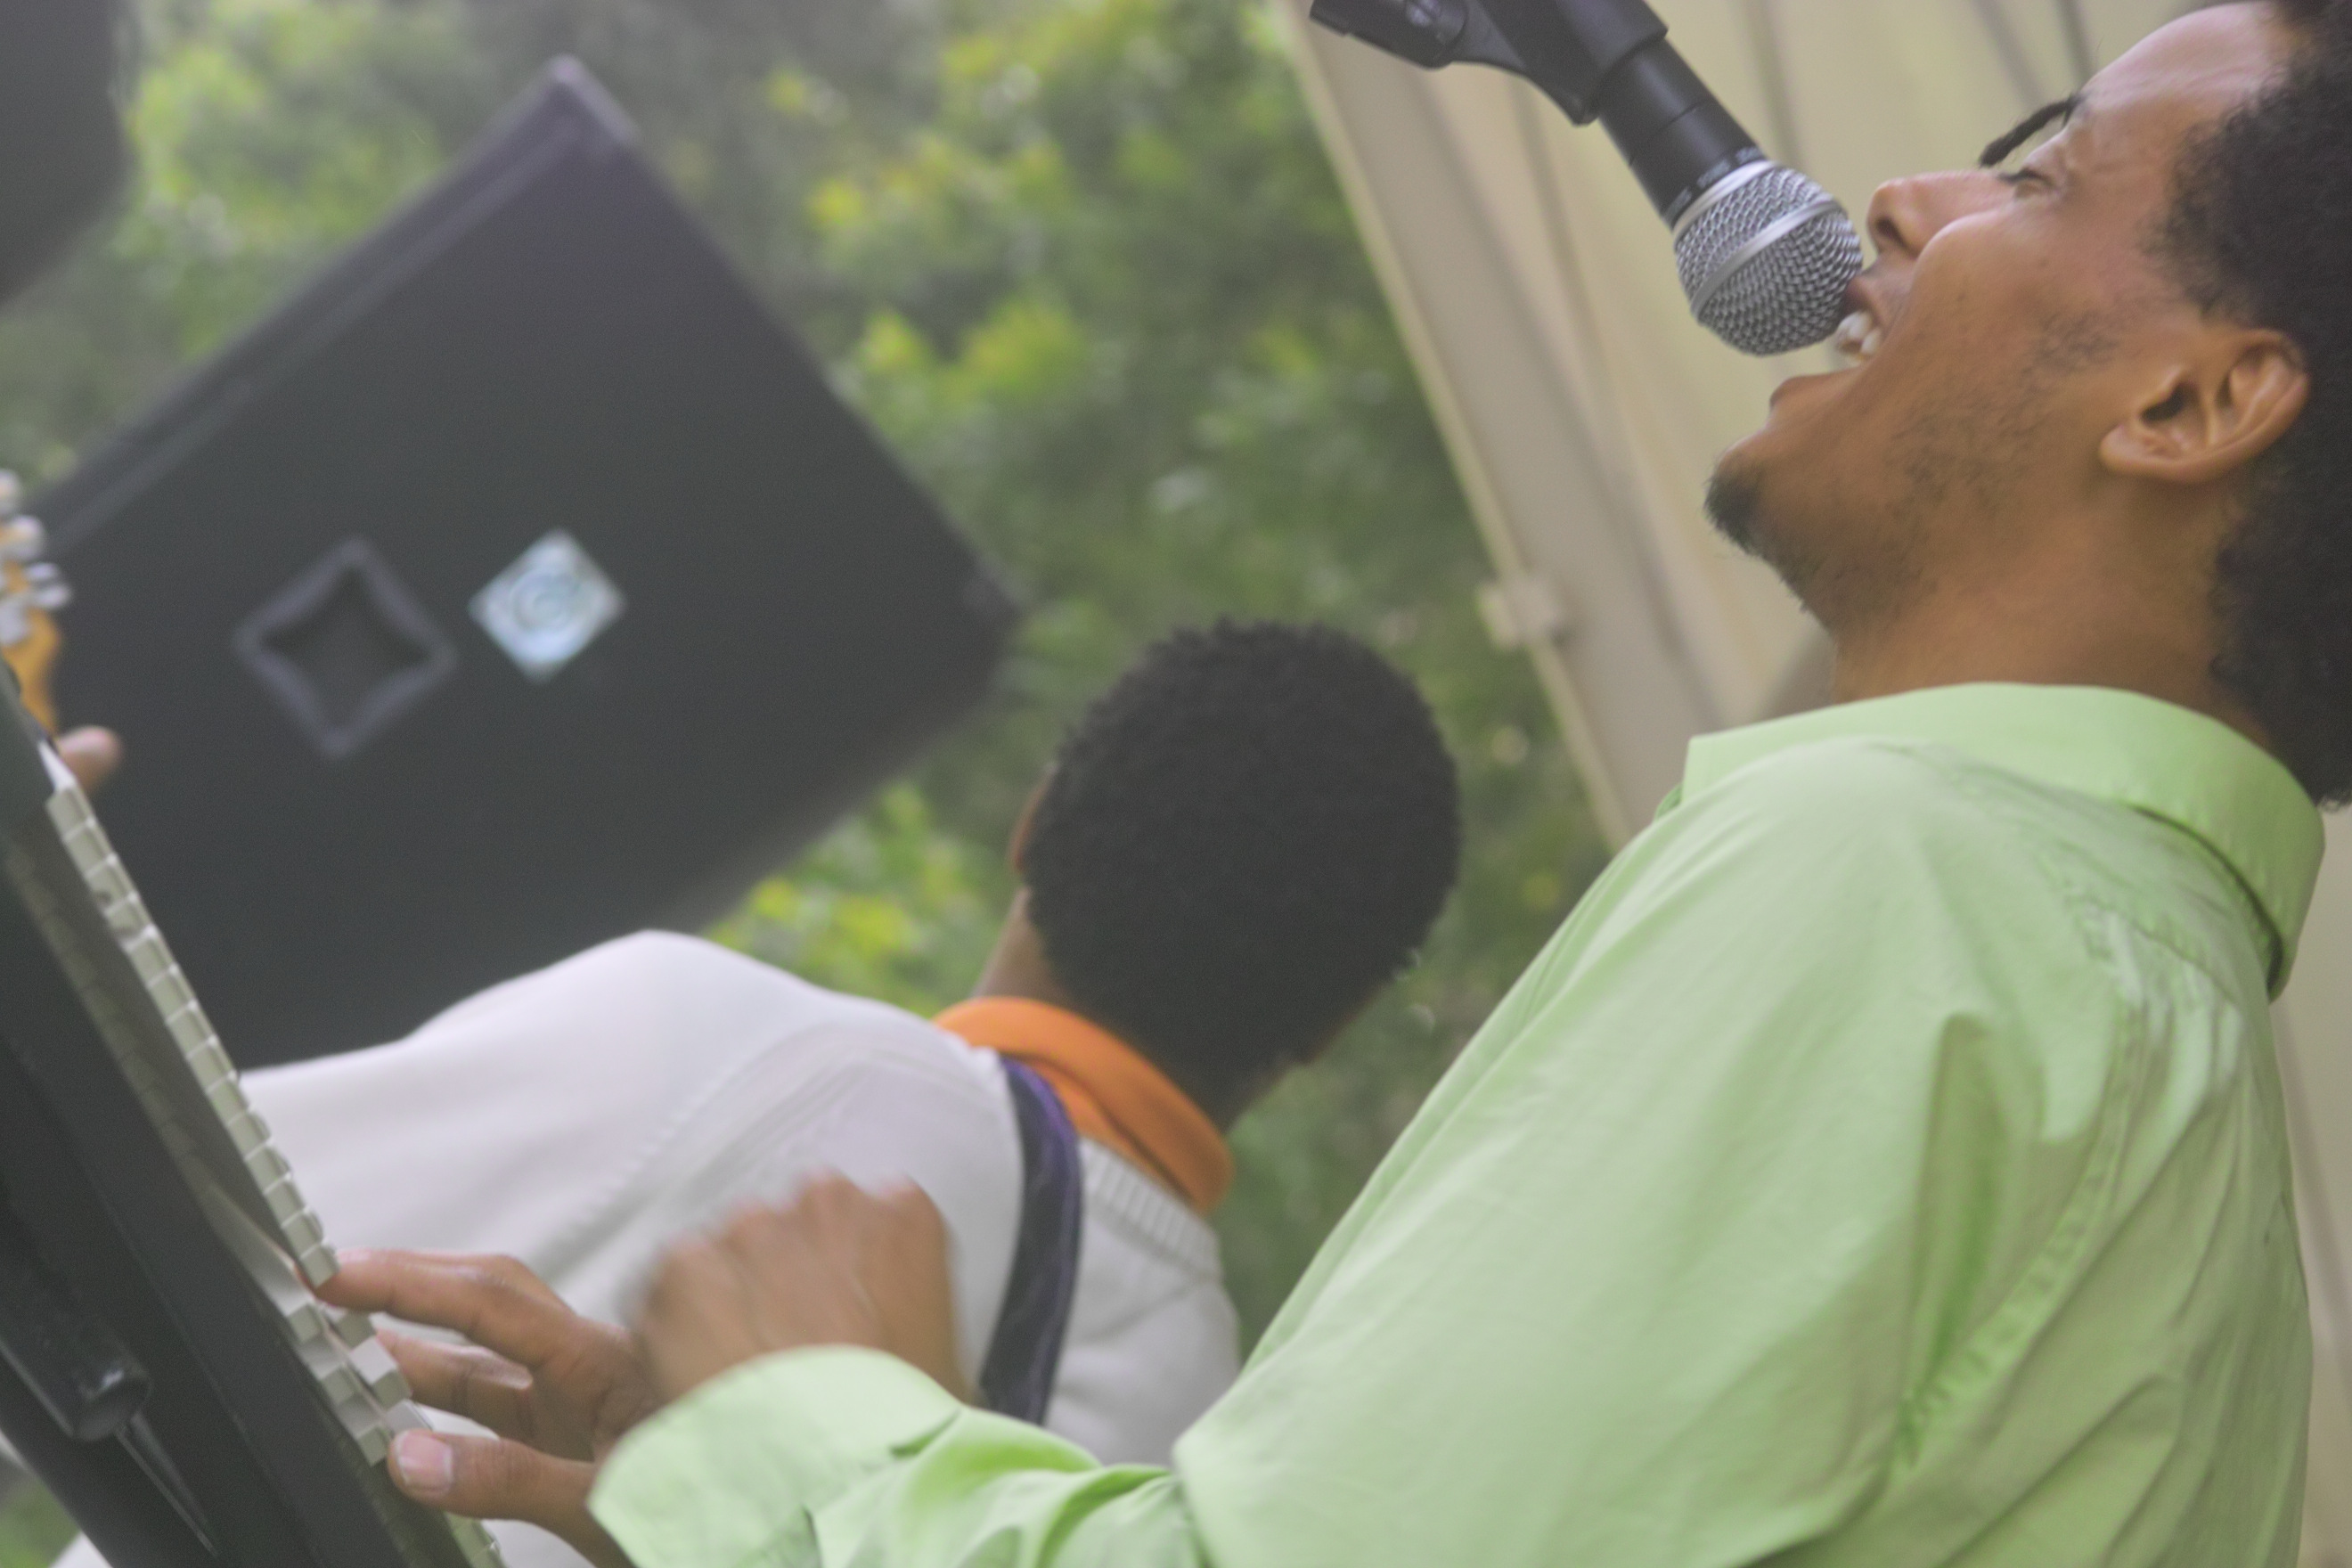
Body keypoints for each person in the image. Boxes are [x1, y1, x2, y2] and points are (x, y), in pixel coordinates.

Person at [339, 3, 2352, 1564]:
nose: (1902, 202)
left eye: (2042, 176)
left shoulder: (1903, 885)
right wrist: (723, 1491)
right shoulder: (2157, 1054)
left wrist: (818, 1425)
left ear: (2197, 401)